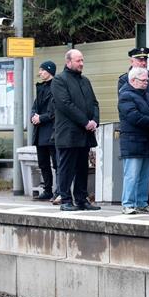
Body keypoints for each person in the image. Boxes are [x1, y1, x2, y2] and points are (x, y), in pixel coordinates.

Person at [51, 49, 101, 211]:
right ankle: (65, 199)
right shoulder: (59, 80)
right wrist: (85, 121)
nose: (81, 63)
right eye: (78, 61)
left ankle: (81, 198)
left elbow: (94, 103)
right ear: (68, 62)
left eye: (82, 60)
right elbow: (65, 105)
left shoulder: (85, 81)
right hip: (68, 133)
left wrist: (94, 121)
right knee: (66, 167)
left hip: (84, 133)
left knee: (82, 167)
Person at [117, 66, 149, 214]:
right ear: (133, 80)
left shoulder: (148, 96)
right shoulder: (126, 96)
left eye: (147, 80)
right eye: (144, 80)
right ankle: (128, 204)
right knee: (132, 175)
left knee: (146, 175)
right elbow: (134, 117)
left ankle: (141, 202)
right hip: (133, 141)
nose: (147, 82)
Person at [30, 60, 58, 201]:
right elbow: (35, 106)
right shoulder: (41, 87)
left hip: (52, 131)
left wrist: (41, 118)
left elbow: (55, 110)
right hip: (40, 132)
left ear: (49, 71)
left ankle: (59, 191)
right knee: (43, 163)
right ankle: (47, 190)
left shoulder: (56, 86)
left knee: (56, 163)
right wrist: (33, 117)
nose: (40, 73)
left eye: (42, 70)